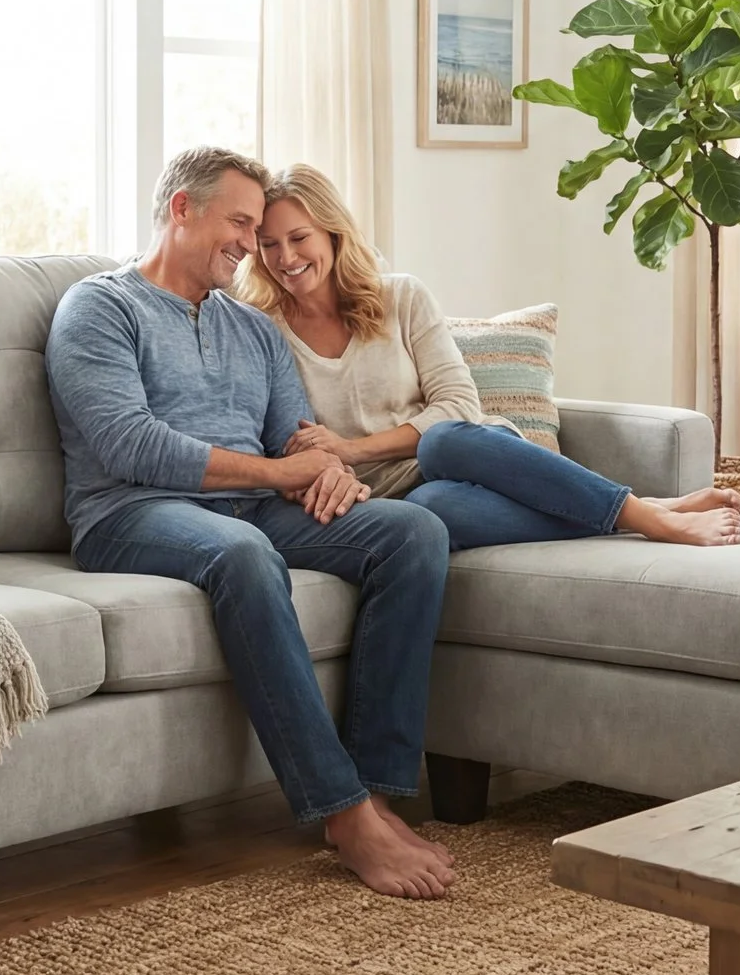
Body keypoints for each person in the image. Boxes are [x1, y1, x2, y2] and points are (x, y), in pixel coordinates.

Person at [45, 148, 460, 900]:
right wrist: (281, 474)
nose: (251, 243)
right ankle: (340, 812)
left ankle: (377, 789)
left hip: (249, 506)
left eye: (256, 227)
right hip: (129, 512)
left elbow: (289, 436)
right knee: (242, 554)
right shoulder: (100, 307)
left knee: (412, 532)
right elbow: (129, 444)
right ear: (181, 210)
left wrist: (326, 468)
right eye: (239, 223)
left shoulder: (253, 329)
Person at [235, 163, 740, 552]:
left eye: (299, 237)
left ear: (332, 231)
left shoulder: (401, 297)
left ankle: (648, 520)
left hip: (476, 453)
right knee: (430, 511)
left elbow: (457, 405)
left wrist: (352, 449)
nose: (286, 258)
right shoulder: (262, 330)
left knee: (439, 442)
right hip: (402, 495)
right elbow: (282, 441)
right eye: (268, 245)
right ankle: (643, 507)